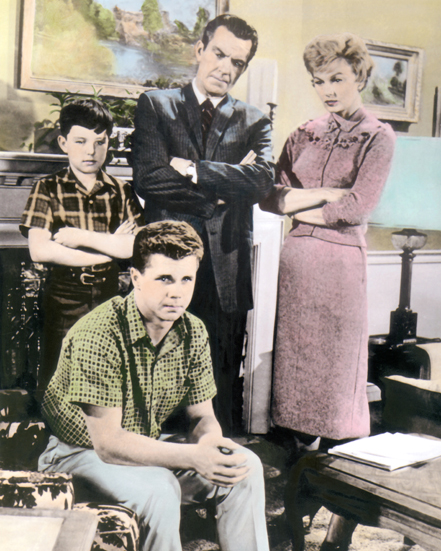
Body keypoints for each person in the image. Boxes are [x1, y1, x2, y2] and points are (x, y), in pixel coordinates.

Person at [38, 220, 269, 551]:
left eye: (186, 279)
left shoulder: (193, 331)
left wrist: (209, 447)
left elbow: (202, 416)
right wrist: (193, 457)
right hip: (77, 454)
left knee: (243, 467)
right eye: (164, 279)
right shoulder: (97, 333)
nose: (177, 292)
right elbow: (109, 444)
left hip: (144, 445)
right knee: (161, 488)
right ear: (135, 278)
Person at [260, 33, 396, 549]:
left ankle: (339, 510)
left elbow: (356, 207)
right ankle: (293, 501)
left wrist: (305, 206)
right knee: (294, 382)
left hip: (340, 268)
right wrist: (320, 199)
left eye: (337, 78)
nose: (328, 89)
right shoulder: (304, 133)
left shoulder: (378, 136)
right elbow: (272, 196)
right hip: (295, 264)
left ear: (359, 76)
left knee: (337, 387)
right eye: (319, 81)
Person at [131, 14, 275, 434]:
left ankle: (217, 459)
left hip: (226, 269)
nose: (226, 68)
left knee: (220, 379)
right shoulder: (157, 105)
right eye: (219, 54)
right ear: (199, 50)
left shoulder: (254, 120)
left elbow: (262, 181)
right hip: (167, 264)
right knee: (158, 370)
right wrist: (220, 194)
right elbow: (149, 178)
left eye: (237, 62)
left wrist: (196, 170)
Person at [20, 98, 144, 401]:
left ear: (108, 143)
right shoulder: (47, 188)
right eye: (81, 141)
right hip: (64, 295)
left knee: (105, 374)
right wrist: (109, 250)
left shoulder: (121, 190)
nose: (91, 151)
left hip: (110, 295)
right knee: (59, 375)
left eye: (100, 142)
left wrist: (78, 236)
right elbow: (40, 251)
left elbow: (135, 246)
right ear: (63, 143)